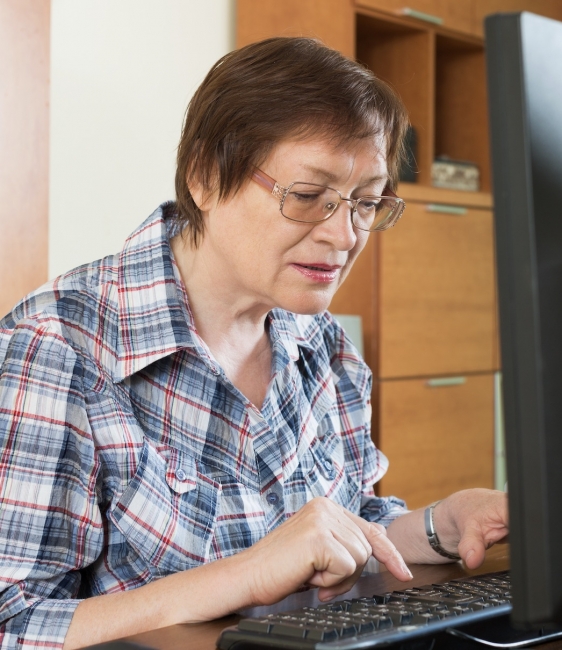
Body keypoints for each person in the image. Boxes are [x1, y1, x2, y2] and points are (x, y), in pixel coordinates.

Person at [0, 37, 507, 649]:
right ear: (207, 176)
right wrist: (246, 575)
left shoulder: (326, 348)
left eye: (367, 203)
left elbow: (344, 533)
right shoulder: (57, 349)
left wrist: (439, 526)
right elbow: (15, 624)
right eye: (307, 197)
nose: (344, 236)